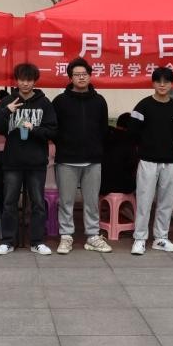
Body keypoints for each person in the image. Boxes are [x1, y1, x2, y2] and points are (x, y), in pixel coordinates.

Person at [0, 63, 58, 255]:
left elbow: (53, 131)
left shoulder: (44, 103)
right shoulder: (8, 100)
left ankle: (37, 241)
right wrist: (6, 111)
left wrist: (33, 128)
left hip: (36, 162)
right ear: (16, 80)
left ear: (34, 81)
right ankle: (8, 241)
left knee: (38, 203)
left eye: (29, 80)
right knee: (9, 202)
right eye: (22, 79)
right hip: (12, 161)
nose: (25, 83)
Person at [52, 58, 111, 254]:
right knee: (66, 201)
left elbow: (103, 129)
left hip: (93, 160)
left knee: (92, 201)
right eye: (77, 75)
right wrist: (64, 145)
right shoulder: (60, 101)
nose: (81, 78)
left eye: (84, 74)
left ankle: (93, 236)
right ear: (70, 78)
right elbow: (53, 129)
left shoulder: (99, 101)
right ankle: (66, 236)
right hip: (67, 160)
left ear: (90, 76)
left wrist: (96, 148)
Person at [128, 67, 173, 255]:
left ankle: (161, 238)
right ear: (153, 83)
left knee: (166, 201)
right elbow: (132, 132)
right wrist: (145, 146)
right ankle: (140, 238)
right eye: (158, 81)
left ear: (172, 84)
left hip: (170, 161)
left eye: (166, 81)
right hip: (148, 160)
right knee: (144, 200)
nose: (162, 85)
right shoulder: (143, 105)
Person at [101, 113, 138, 195]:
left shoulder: (105, 136)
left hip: (102, 186)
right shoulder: (130, 141)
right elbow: (132, 164)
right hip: (124, 187)